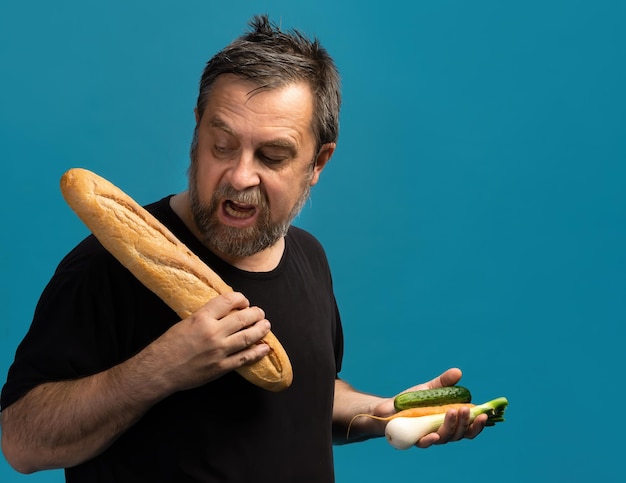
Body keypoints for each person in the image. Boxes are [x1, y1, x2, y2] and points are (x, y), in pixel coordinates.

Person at [1, 15, 487, 482]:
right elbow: (20, 443)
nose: (239, 175)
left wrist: (381, 413)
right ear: (197, 129)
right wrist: (160, 369)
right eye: (222, 145)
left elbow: (305, 400)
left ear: (318, 162)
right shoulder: (107, 264)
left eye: (272, 156)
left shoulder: (309, 258)